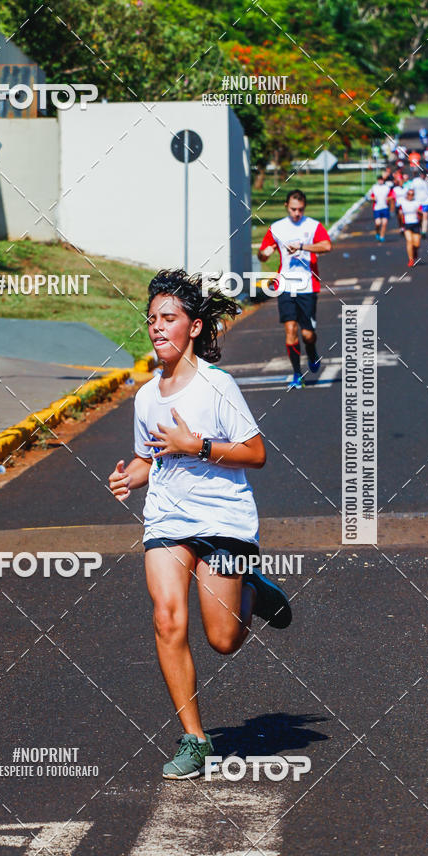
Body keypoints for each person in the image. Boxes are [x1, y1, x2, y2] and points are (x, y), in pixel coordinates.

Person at [108, 270, 292, 780]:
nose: (157, 327)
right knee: (167, 617)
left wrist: (200, 446)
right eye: (152, 319)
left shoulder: (218, 385)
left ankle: (252, 591)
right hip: (167, 516)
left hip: (223, 517)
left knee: (224, 640)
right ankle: (195, 738)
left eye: (169, 318)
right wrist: (132, 477)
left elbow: (255, 454)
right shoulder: (147, 397)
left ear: (193, 326)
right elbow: (152, 458)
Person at [258, 190, 332, 388]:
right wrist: (264, 254)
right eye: (293, 209)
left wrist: (302, 246)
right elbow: (263, 253)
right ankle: (297, 374)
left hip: (307, 284)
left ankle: (313, 351)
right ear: (286, 206)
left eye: (300, 209)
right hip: (285, 285)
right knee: (290, 329)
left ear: (304, 208)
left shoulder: (313, 226)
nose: (297, 213)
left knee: (307, 334)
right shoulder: (277, 228)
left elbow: (326, 246)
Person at [397, 187, 423, 266]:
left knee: (417, 244)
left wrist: (419, 212)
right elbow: (400, 215)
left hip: (416, 224)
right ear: (407, 195)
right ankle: (411, 260)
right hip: (407, 224)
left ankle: (414, 251)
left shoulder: (417, 202)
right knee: (409, 241)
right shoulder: (403, 203)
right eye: (409, 194)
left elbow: (422, 213)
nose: (410, 196)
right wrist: (401, 226)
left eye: (412, 194)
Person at [369, 174, 393, 241]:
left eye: (381, 180)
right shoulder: (374, 187)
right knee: (378, 223)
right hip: (377, 208)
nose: (380, 181)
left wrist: (388, 199)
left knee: (384, 223)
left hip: (385, 207)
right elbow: (371, 197)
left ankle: (382, 236)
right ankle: (377, 232)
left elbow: (392, 196)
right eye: (379, 180)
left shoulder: (386, 187)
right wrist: (373, 198)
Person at [411, 171, 428, 236]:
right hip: (417, 201)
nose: (423, 176)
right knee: (419, 216)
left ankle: (424, 232)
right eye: (421, 174)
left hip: (427, 201)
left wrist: (427, 182)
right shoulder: (415, 181)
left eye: (424, 175)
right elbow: (411, 190)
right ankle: (419, 228)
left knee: (425, 215)